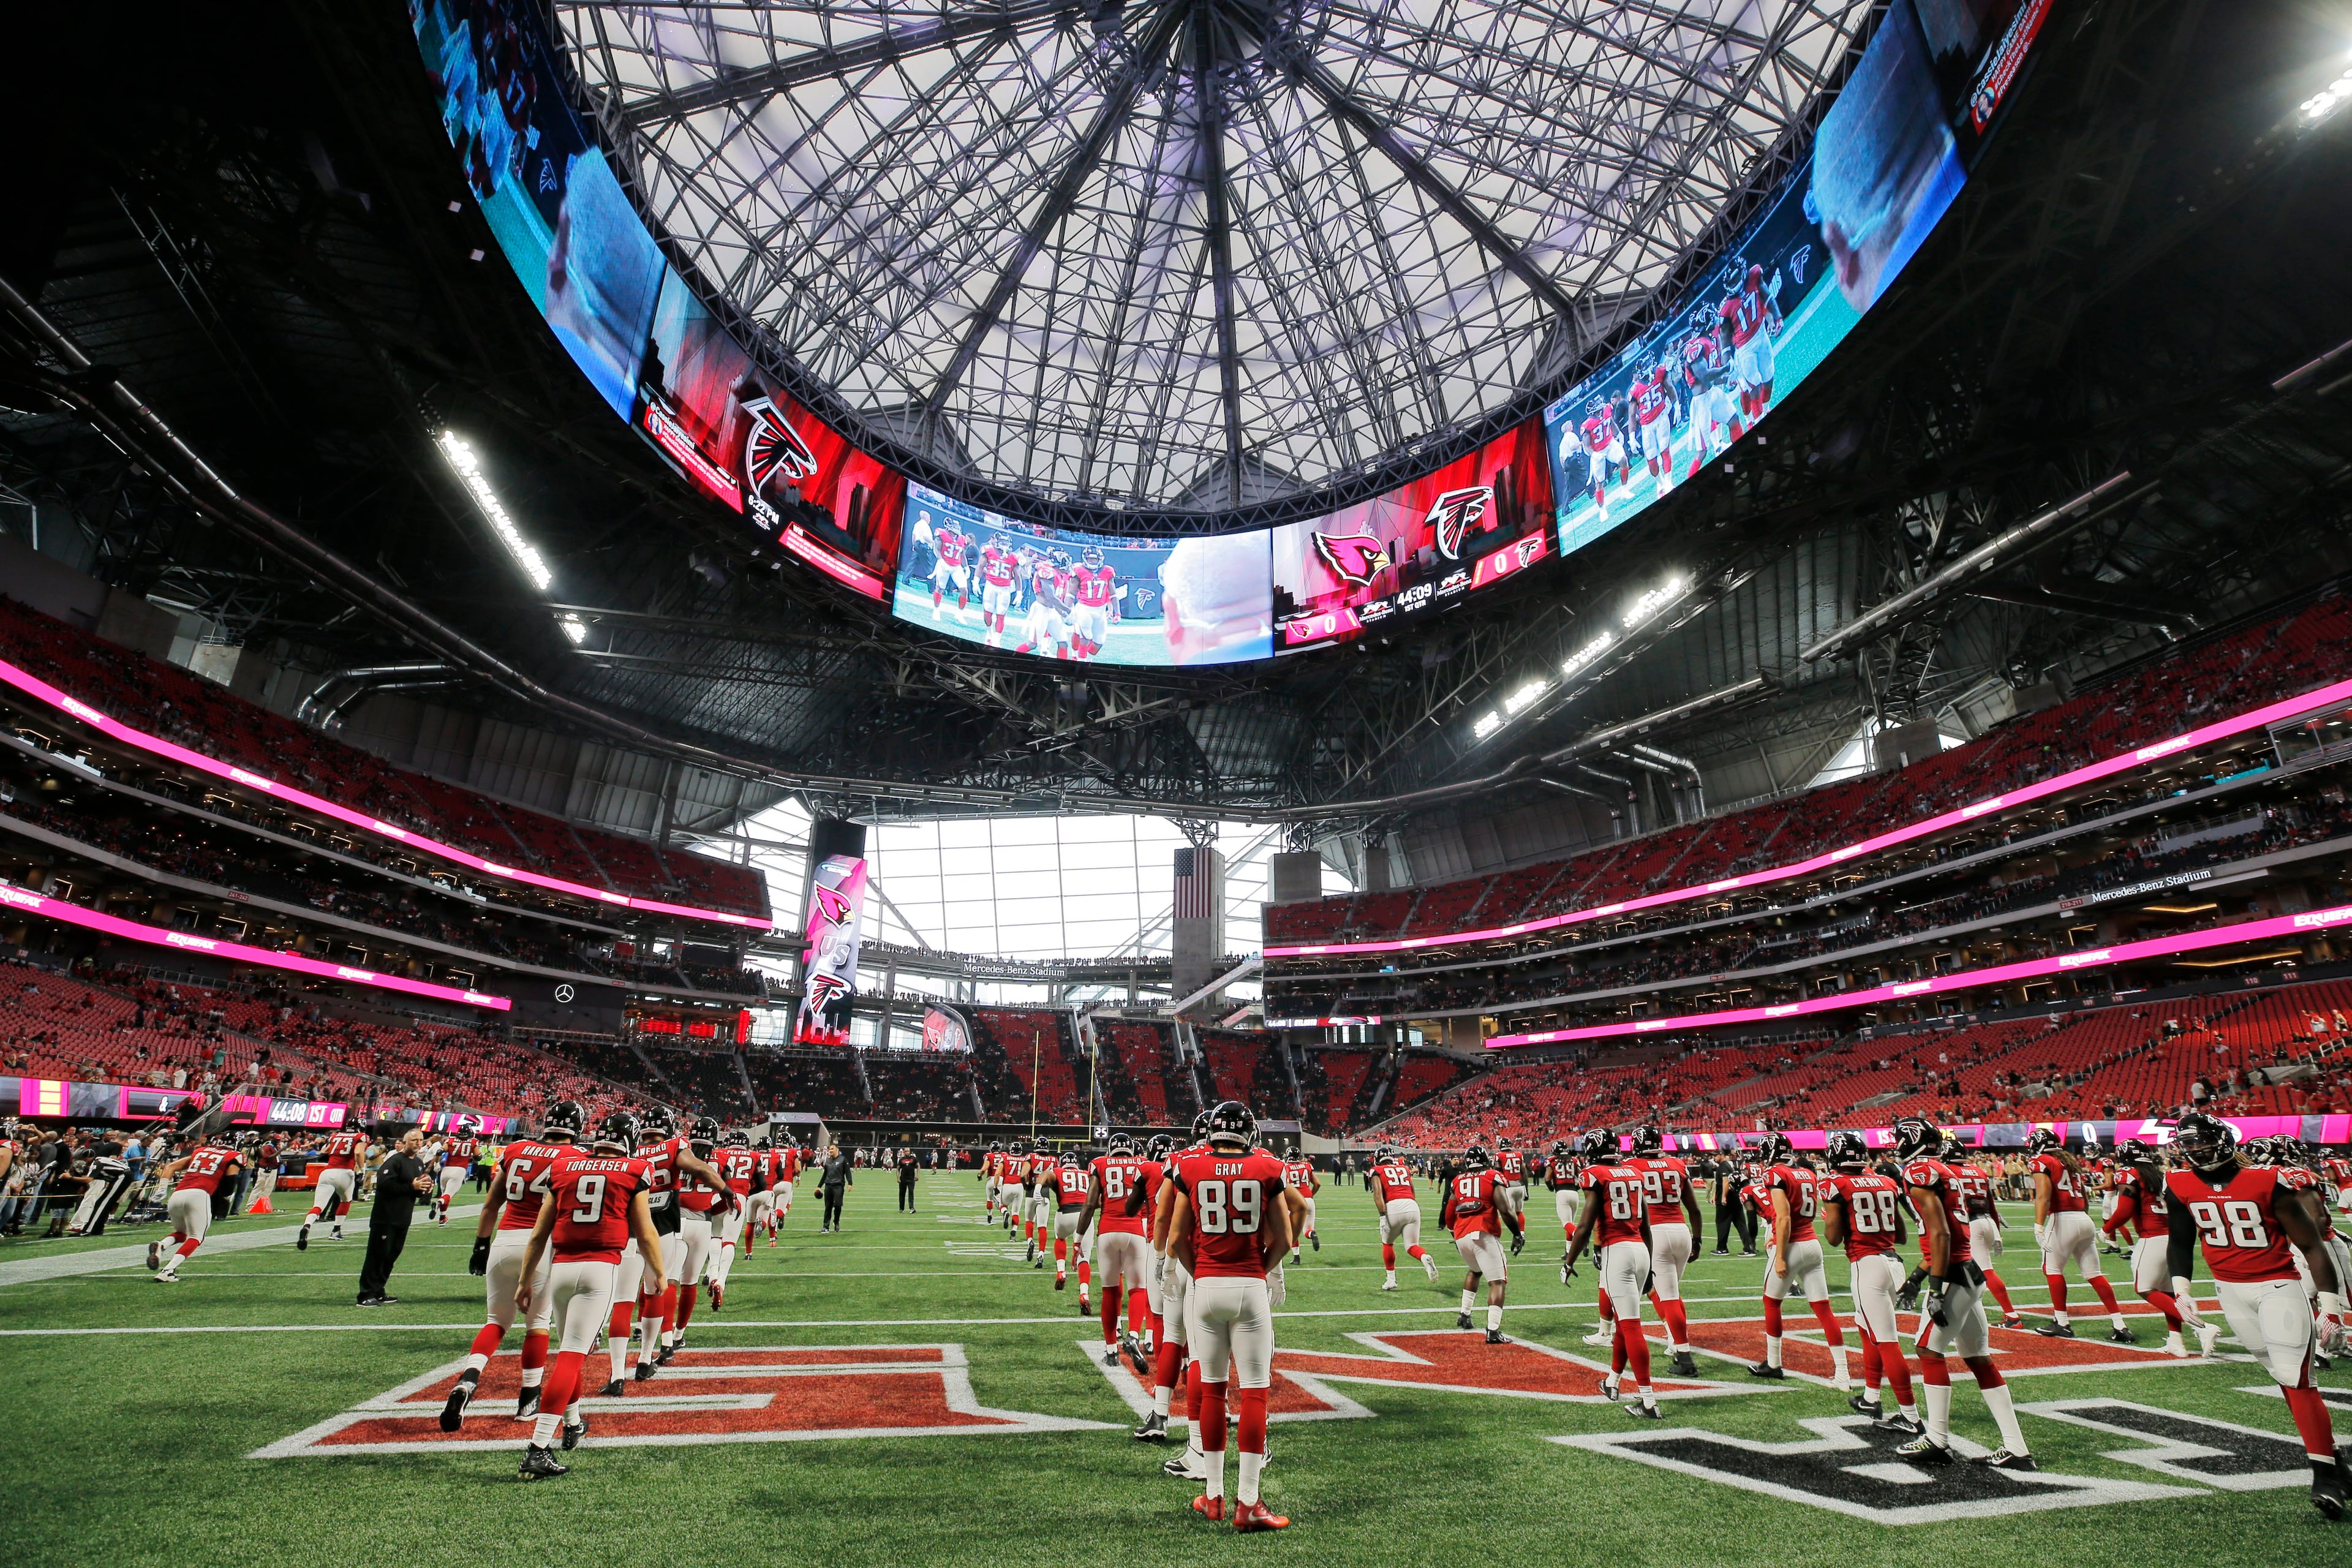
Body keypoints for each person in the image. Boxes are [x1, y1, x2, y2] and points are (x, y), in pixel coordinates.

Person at [2165, 1112, 2348, 1517]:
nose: (2196, 1150)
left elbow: (2313, 1245)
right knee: (2282, 1375)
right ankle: (2333, 1455)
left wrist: (2332, 1308)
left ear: (2226, 1140)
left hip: (2278, 1286)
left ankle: (2325, 1475)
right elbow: (2179, 1240)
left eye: (2202, 1142)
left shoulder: (2267, 1180)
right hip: (2229, 1290)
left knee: (2297, 1379)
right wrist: (2181, 1289)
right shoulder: (2178, 1183)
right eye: (2188, 1144)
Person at [513, 1109, 668, 1480]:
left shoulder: (565, 1168)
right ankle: (538, 1448)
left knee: (570, 1347)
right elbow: (645, 1233)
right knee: (572, 1355)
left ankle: (574, 1421)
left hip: (560, 1269)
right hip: (599, 1270)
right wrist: (659, 1272)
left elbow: (539, 1234)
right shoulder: (633, 1171)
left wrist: (524, 1280)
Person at [1166, 1101, 1292, 1530]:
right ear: (1250, 1135)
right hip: (1249, 1285)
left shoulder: (1190, 1165)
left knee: (1215, 1393)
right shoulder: (1268, 1167)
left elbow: (1176, 1237)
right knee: (1255, 1392)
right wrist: (1258, 1266)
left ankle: (1214, 1496)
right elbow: (1286, 1238)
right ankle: (1248, 1503)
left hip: (1207, 1287)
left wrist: (1200, 1270)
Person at [1891, 1115, 2035, 1469]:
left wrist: (1935, 1287)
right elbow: (1946, 1234)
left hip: (1954, 1275)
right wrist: (1916, 1276)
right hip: (1969, 1272)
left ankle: (1937, 1440)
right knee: (1978, 1357)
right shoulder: (1947, 1170)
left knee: (1928, 1348)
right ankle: (2016, 1447)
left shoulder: (1919, 1173)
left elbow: (1941, 1234)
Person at [443, 1099, 587, 1429]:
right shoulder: (576, 1158)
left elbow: (492, 1203)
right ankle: (528, 1399)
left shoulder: (517, 1149)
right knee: (537, 1325)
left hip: (504, 1242)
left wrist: (480, 1245)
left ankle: (469, 1378)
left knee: (496, 1321)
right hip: (541, 1246)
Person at [1818, 1129, 1918, 1433]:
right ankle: (1871, 1397)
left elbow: (1834, 1239)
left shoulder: (1836, 1183)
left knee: (1887, 1341)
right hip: (1892, 1262)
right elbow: (1901, 1235)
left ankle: (1911, 1416)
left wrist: (1831, 1220)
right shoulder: (1888, 1180)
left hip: (1867, 1264)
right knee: (1867, 1329)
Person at [1562, 1128, 1660, 1418]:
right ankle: (1613, 1382)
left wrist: (1569, 1262)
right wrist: (1651, 1265)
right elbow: (1645, 1226)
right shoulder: (1633, 1173)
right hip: (1641, 1249)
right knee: (1624, 1322)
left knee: (1631, 1327)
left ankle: (1648, 1401)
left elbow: (1584, 1226)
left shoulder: (1595, 1174)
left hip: (1617, 1252)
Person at [1750, 1133, 1850, 1387]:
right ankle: (1843, 1373)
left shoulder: (1776, 1174)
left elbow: (1784, 1218)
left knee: (1772, 1302)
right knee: (1823, 1309)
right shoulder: (1807, 1172)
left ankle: (1773, 1363)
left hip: (1793, 1245)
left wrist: (1781, 1255)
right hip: (1812, 1244)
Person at [2104, 1136, 2218, 1359]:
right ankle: (2176, 1342)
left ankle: (2201, 1326)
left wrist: (2106, 1229)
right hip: (2172, 1238)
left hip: (2151, 1237)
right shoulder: (2162, 1174)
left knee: (2145, 1288)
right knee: (2167, 1292)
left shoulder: (2130, 1173)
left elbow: (2125, 1210)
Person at [2026, 1127, 2131, 1341]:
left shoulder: (2042, 1161)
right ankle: (2119, 1325)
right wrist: (2083, 1218)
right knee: (2094, 1274)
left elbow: (2043, 1196)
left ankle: (2062, 1322)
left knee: (2052, 1269)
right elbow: (2082, 1194)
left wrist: (2038, 1225)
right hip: (2083, 1218)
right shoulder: (2069, 1161)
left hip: (2062, 1219)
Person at [1625, 1124, 1703, 1376]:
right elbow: (1694, 1209)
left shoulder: (1632, 1166)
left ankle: (1685, 1355)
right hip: (1681, 1231)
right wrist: (1698, 1239)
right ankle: (1675, 1341)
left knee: (1667, 1296)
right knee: (1668, 1292)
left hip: (1655, 1233)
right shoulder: (1677, 1165)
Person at [1079, 1133, 1159, 1376]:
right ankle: (1134, 1336)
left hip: (1107, 1232)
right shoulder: (1142, 1165)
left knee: (1110, 1292)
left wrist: (1078, 1240)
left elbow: (1091, 1204)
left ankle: (1111, 1350)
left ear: (1111, 1149)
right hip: (1135, 1230)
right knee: (1138, 1289)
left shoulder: (1100, 1164)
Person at [1439, 1143, 1522, 1346]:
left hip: (1461, 1234)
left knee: (1474, 1271)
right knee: (1497, 1282)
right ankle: (1493, 1330)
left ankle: (1464, 1315)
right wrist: (1518, 1233)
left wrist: (1454, 1233)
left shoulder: (1458, 1180)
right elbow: (1505, 1209)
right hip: (1483, 1232)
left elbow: (1449, 1213)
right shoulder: (1492, 1176)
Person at [148, 1134, 242, 1283]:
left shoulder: (201, 1151)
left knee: (183, 1233)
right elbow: (229, 1185)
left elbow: (171, 1167)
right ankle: (168, 1270)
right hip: (199, 1195)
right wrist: (225, 1195)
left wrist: (162, 1189)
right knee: (196, 1237)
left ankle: (162, 1245)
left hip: (177, 1195)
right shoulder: (234, 1156)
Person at [358, 1128, 435, 1306]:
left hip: (403, 1217)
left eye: (420, 1140)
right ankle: (365, 1294)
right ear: (405, 1141)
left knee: (391, 1256)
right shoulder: (394, 1161)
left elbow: (414, 1189)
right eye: (414, 1140)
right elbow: (385, 1186)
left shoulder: (417, 1163)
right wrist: (412, 1187)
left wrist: (423, 1189)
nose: (418, 1143)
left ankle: (378, 1291)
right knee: (377, 1256)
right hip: (385, 1218)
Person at [1368, 1144, 1437, 1291]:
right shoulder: (1404, 1168)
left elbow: (1378, 1194)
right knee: (1412, 1246)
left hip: (1393, 1206)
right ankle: (1424, 1257)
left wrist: (1382, 1216)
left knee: (1388, 1243)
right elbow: (1412, 1190)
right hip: (1412, 1205)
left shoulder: (1377, 1170)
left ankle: (1391, 1279)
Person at [298, 1122, 369, 1249]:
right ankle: (336, 1230)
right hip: (345, 1173)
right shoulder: (361, 1136)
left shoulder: (335, 1136)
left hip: (328, 1172)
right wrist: (362, 1170)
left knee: (318, 1206)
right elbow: (358, 1153)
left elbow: (324, 1151)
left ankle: (307, 1225)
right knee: (346, 1201)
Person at [436, 1117, 482, 1226]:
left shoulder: (450, 1140)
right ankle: (439, 1204)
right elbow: (478, 1157)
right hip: (459, 1170)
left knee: (444, 1195)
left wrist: (437, 1164)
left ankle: (442, 1218)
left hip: (446, 1170)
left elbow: (440, 1151)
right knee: (448, 1195)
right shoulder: (473, 1142)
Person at [819, 1142, 853, 1232]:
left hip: (838, 1186)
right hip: (828, 1186)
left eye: (832, 1149)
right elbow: (825, 1175)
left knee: (838, 1205)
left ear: (837, 1150)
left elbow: (848, 1172)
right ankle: (826, 1226)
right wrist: (819, 1186)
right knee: (828, 1206)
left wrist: (850, 1183)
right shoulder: (828, 1161)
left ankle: (836, 1221)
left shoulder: (843, 1160)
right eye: (829, 1149)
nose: (830, 1151)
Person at [897, 1145, 919, 1212]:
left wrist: (918, 1175)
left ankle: (912, 1208)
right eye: (906, 1151)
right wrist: (898, 1178)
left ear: (910, 1152)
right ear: (904, 1152)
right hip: (903, 1179)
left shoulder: (914, 1159)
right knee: (902, 1194)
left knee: (911, 1193)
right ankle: (901, 1208)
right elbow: (898, 1169)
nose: (907, 1152)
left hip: (911, 1179)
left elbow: (918, 1166)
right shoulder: (901, 1160)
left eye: (908, 1151)